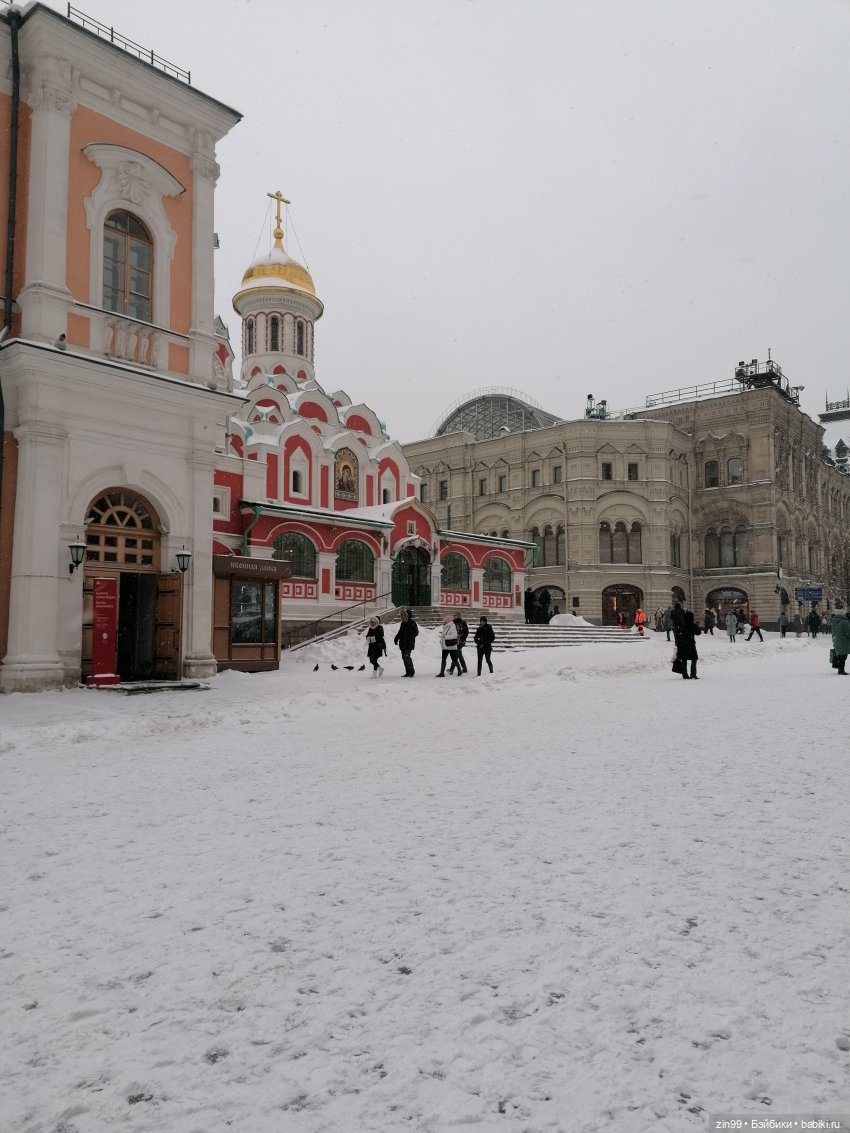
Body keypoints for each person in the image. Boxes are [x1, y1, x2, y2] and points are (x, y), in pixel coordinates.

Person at [673, 609, 700, 679]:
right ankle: (693, 674)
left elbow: (677, 634)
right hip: (690, 644)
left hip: (682, 644)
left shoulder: (681, 625)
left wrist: (677, 642)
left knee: (684, 659)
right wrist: (696, 625)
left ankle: (685, 674)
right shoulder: (692, 625)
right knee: (694, 658)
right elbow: (698, 632)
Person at [393, 608, 418, 677]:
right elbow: (400, 632)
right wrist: (396, 638)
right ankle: (408, 672)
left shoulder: (412, 623)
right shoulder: (403, 623)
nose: (402, 617)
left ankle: (412, 671)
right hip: (403, 643)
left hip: (409, 643)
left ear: (407, 615)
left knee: (407, 656)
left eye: (404, 615)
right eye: (402, 615)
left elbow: (416, 632)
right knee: (404, 657)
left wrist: (409, 636)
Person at [830, 606, 850, 675]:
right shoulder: (845, 622)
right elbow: (848, 632)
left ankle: (839, 669)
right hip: (843, 641)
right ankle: (841, 670)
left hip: (836, 640)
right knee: (843, 656)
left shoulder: (834, 621)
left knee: (840, 655)